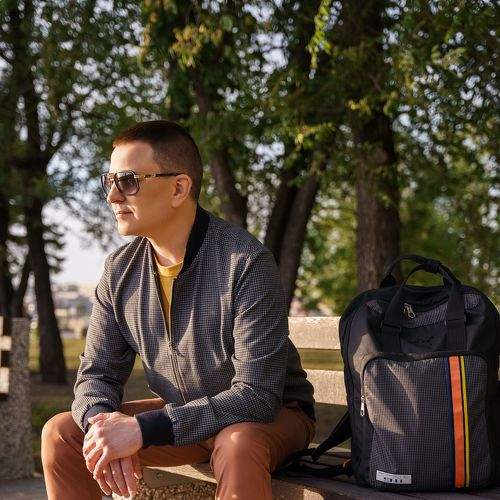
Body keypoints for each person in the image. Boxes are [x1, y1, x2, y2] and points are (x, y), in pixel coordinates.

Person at [41, 120, 315, 499]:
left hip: (271, 417)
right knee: (62, 434)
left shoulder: (244, 262)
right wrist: (101, 426)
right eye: (110, 181)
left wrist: (143, 429)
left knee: (237, 443)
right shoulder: (119, 270)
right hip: (185, 416)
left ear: (179, 188)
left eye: (128, 181)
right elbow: (97, 374)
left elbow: (257, 395)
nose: (113, 196)